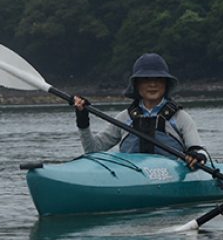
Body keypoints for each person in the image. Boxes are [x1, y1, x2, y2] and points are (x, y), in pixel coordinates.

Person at [73, 53, 206, 167]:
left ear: (166, 84)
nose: (152, 84)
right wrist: (83, 119)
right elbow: (92, 150)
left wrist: (197, 156)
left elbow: (198, 150)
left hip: (172, 177)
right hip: (133, 176)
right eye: (146, 79)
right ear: (136, 84)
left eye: (158, 79)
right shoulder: (124, 118)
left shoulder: (180, 117)